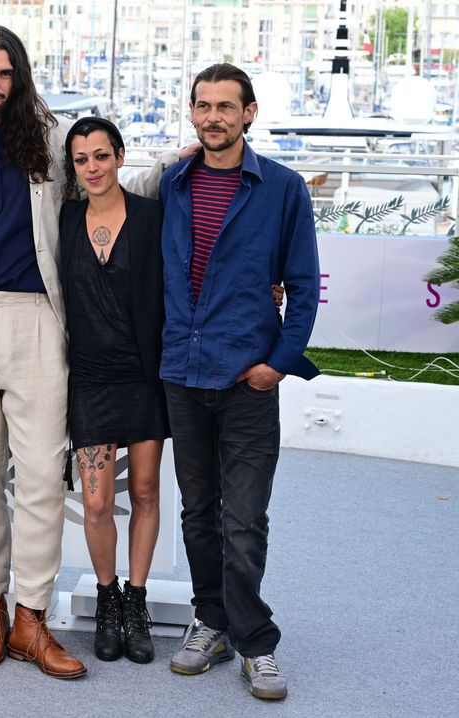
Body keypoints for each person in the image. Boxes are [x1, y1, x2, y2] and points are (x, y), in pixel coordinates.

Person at [0, 26, 173, 679]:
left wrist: (182, 164)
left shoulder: (53, 141)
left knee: (37, 475)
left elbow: (109, 186)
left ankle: (32, 619)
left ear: (19, 78)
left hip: (37, 318)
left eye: (5, 73)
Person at [159, 63, 319, 701]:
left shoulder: (282, 189)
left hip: (248, 377)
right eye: (203, 105)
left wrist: (277, 363)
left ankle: (257, 642)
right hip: (181, 372)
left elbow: (303, 287)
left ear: (249, 113)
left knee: (244, 518)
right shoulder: (172, 184)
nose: (213, 117)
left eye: (227, 106)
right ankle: (212, 621)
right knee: (197, 513)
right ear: (192, 112)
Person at [59, 117, 168, 665]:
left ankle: (137, 600)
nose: (92, 168)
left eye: (101, 156)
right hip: (90, 380)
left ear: (121, 157)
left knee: (145, 492)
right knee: (97, 503)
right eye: (81, 160)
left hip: (144, 378)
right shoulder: (62, 220)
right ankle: (107, 599)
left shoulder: (151, 217)